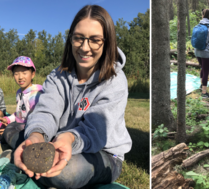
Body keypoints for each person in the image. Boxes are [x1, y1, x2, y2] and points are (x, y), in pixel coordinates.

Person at [7, 5, 131, 188]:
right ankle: (22, 154)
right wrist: (36, 136)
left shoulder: (115, 81)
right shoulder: (57, 76)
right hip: (57, 143)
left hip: (103, 153)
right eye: (79, 38)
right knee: (17, 132)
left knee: (66, 173)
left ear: (107, 42)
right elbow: (46, 111)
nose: (85, 47)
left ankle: (17, 159)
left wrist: (68, 139)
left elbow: (95, 131)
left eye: (95, 40)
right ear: (71, 39)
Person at [0, 56, 44, 156]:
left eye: (24, 73)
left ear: (32, 74)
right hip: (18, 126)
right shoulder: (19, 93)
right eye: (16, 74)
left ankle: (15, 150)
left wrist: (12, 126)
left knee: (10, 130)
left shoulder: (35, 94)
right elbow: (19, 114)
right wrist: (7, 120)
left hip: (30, 130)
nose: (20, 77)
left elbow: (38, 119)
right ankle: (3, 143)